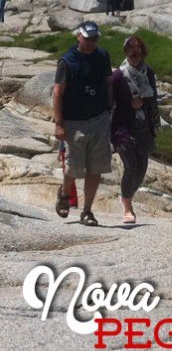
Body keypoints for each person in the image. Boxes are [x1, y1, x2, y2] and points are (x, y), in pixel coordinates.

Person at [53, 21, 112, 226]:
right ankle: (64, 193)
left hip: (99, 118)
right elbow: (58, 92)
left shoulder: (102, 56)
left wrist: (110, 108)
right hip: (73, 122)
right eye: (87, 38)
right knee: (73, 168)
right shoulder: (67, 62)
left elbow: (108, 82)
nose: (91, 43)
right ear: (79, 36)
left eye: (94, 39)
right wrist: (59, 124)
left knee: (96, 167)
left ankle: (87, 211)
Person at [111, 35, 160, 224]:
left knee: (141, 170)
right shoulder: (118, 76)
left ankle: (127, 196)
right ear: (126, 53)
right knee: (130, 166)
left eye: (139, 54)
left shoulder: (148, 73)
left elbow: (152, 98)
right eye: (132, 54)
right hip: (122, 127)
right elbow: (111, 103)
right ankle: (127, 207)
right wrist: (129, 104)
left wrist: (144, 102)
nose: (136, 57)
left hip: (143, 126)